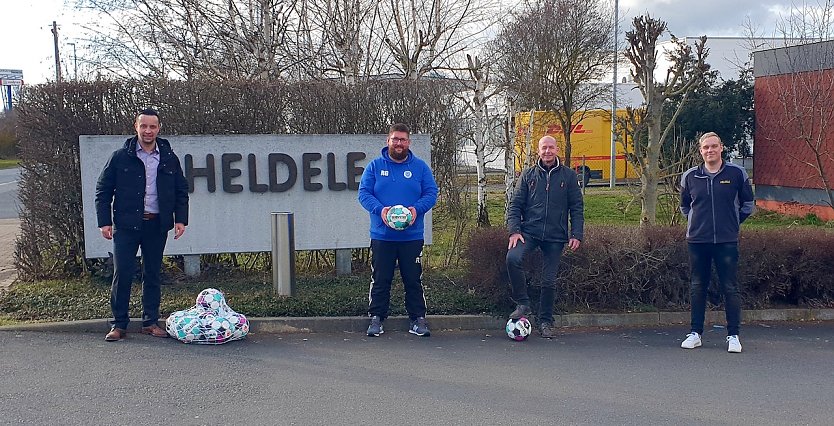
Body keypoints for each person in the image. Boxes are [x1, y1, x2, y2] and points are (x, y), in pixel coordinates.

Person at [96, 108, 189, 342]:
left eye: (153, 127)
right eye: (144, 126)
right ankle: (119, 325)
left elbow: (181, 190)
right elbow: (103, 190)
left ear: (159, 128)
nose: (148, 131)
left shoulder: (169, 157)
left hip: (156, 225)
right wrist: (104, 222)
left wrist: (181, 219)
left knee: (152, 274)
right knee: (123, 273)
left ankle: (150, 322)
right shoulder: (120, 157)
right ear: (135, 127)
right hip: (126, 226)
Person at [358, 123, 438, 337]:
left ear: (408, 142)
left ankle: (418, 319)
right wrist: (381, 210)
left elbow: (431, 193)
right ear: (388, 141)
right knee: (381, 277)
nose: (399, 143)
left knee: (413, 278)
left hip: (411, 237)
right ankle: (376, 318)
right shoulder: (375, 167)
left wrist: (415, 210)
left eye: (403, 139)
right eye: (395, 139)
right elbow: (364, 194)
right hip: (382, 235)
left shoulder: (420, 168)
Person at [679, 132, 754, 353]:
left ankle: (733, 335)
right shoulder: (690, 176)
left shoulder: (736, 173)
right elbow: (685, 207)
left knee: (730, 287)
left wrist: (731, 223)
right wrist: (697, 223)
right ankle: (695, 333)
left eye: (713, 146)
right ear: (700, 151)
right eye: (705, 148)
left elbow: (747, 204)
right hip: (697, 240)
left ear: (721, 147)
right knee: (697, 286)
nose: (709, 150)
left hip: (726, 240)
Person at [506, 135, 584, 339]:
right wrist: (514, 230)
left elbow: (577, 207)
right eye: (543, 148)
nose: (547, 151)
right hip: (529, 232)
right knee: (512, 259)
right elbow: (515, 205)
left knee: (549, 281)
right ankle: (523, 303)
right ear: (538, 150)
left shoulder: (568, 176)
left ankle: (546, 322)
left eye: (551, 147)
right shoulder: (528, 175)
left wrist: (576, 234)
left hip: (555, 236)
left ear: (557, 150)